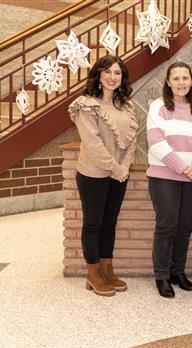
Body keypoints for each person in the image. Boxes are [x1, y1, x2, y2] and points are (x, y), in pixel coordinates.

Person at [68, 54, 138, 296]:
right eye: (107, 71)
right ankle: (93, 272)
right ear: (98, 75)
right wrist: (116, 168)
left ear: (123, 78)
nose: (112, 77)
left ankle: (107, 268)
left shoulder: (126, 107)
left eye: (117, 73)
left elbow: (132, 141)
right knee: (93, 222)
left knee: (110, 222)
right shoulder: (85, 104)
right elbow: (93, 143)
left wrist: (125, 167)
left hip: (119, 174)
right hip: (93, 173)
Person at [146, 61, 192, 298]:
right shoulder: (159, 106)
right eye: (176, 78)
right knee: (166, 227)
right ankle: (162, 276)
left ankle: (177, 272)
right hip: (164, 177)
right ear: (168, 82)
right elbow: (156, 142)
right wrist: (185, 168)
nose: (181, 83)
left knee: (185, 228)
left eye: (185, 78)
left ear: (191, 81)